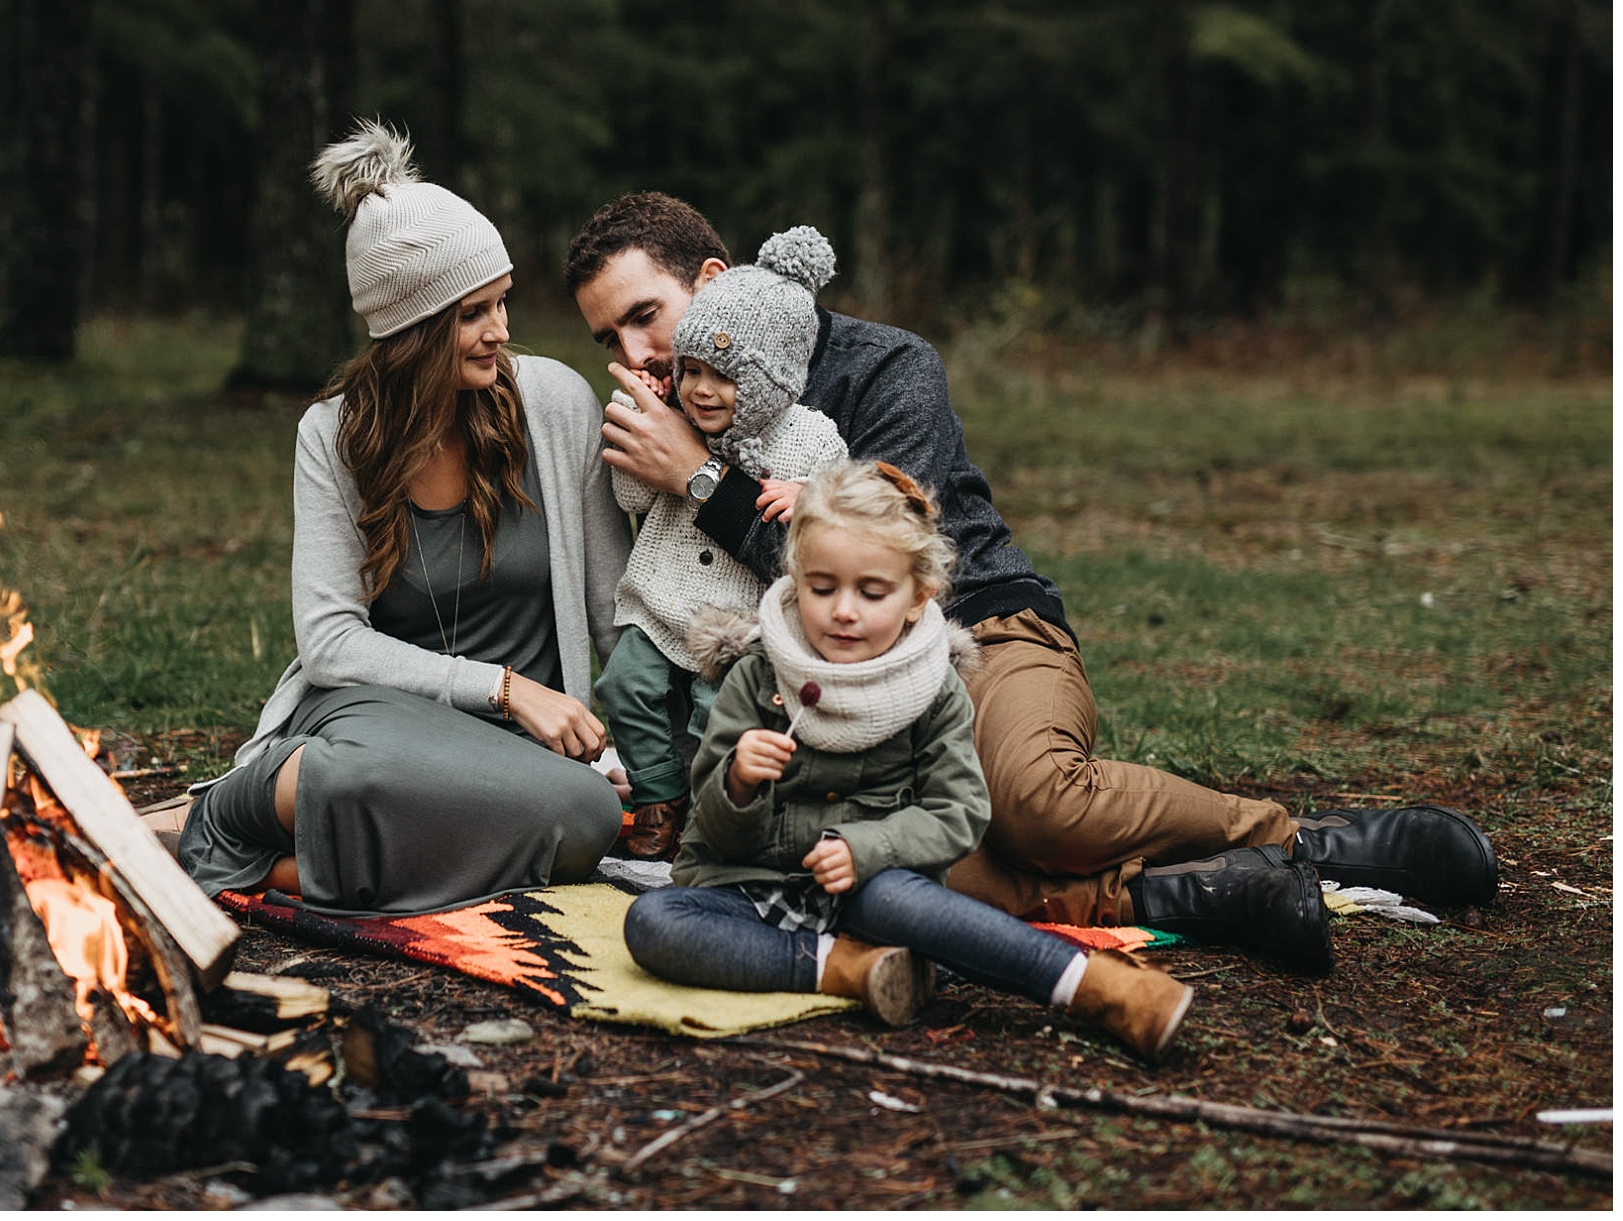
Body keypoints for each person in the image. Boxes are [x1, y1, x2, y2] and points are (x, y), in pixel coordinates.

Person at [566, 192, 1498, 974]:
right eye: (610, 335)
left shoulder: (883, 365)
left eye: (646, 315)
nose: (636, 353)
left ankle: (1304, 840)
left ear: (714, 283)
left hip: (981, 632)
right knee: (883, 874)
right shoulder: (652, 428)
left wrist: (702, 478)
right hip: (835, 706)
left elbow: (892, 573)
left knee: (1032, 803)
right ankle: (1200, 893)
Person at [178, 122, 631, 916]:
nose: (500, 330)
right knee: (367, 773)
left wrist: (637, 746)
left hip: (514, 758)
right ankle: (240, 805)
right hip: (379, 726)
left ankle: (270, 865)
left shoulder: (556, 404)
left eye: (502, 302)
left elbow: (612, 611)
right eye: (472, 314)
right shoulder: (333, 436)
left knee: (588, 813)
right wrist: (504, 687)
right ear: (411, 331)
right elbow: (330, 641)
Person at [625, 461, 1193, 1061]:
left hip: (873, 894)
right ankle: (854, 971)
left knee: (908, 903)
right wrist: (738, 781)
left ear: (919, 597)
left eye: (872, 593)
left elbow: (959, 813)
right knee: (655, 922)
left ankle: (1099, 987)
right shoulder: (757, 674)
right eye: (821, 588)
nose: (844, 610)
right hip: (749, 893)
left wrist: (867, 850)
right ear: (794, 579)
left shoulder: (933, 687)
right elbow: (710, 837)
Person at [596, 225, 847, 861]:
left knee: (721, 717)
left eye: (724, 377)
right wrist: (645, 436)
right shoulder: (678, 418)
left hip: (736, 622)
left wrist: (811, 502)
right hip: (658, 602)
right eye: (691, 371)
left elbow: (851, 517)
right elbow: (631, 502)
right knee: (623, 683)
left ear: (771, 378)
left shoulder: (811, 439)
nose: (701, 391)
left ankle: (713, 816)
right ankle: (658, 795)